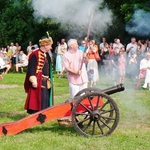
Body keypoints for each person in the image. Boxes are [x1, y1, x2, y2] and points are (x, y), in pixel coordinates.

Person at [24, 36, 54, 114]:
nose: (51, 47)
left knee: (44, 99)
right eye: (50, 45)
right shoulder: (35, 54)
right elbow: (31, 69)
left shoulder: (46, 54)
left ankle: (43, 114)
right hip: (38, 80)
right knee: (37, 100)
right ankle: (36, 115)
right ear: (45, 45)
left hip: (45, 80)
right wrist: (33, 80)